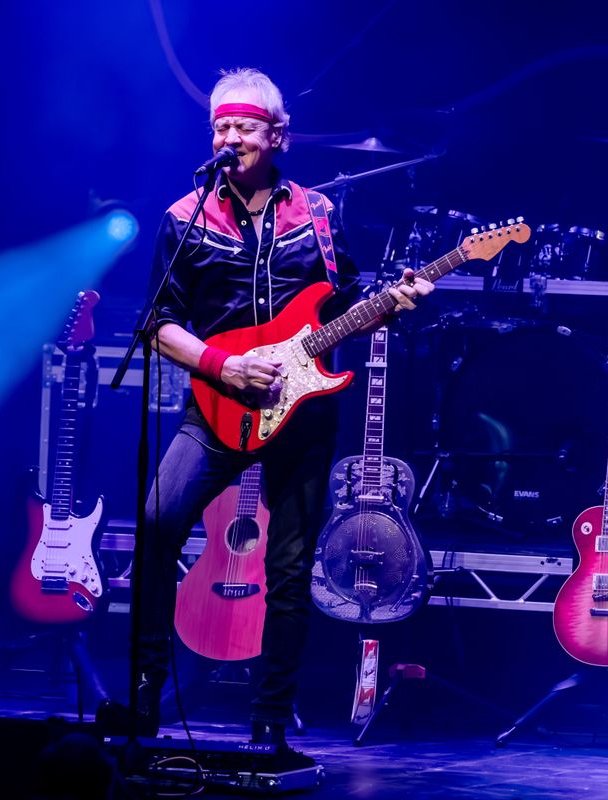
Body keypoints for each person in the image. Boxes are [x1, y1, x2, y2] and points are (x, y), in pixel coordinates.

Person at [122, 67, 432, 761]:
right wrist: (224, 365)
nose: (229, 137)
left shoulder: (317, 215)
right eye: (219, 128)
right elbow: (158, 324)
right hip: (214, 406)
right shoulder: (185, 216)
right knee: (154, 525)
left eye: (243, 127)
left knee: (290, 568)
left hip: (303, 414)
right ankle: (144, 698)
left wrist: (392, 304)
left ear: (277, 135)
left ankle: (269, 720)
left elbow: (347, 300)